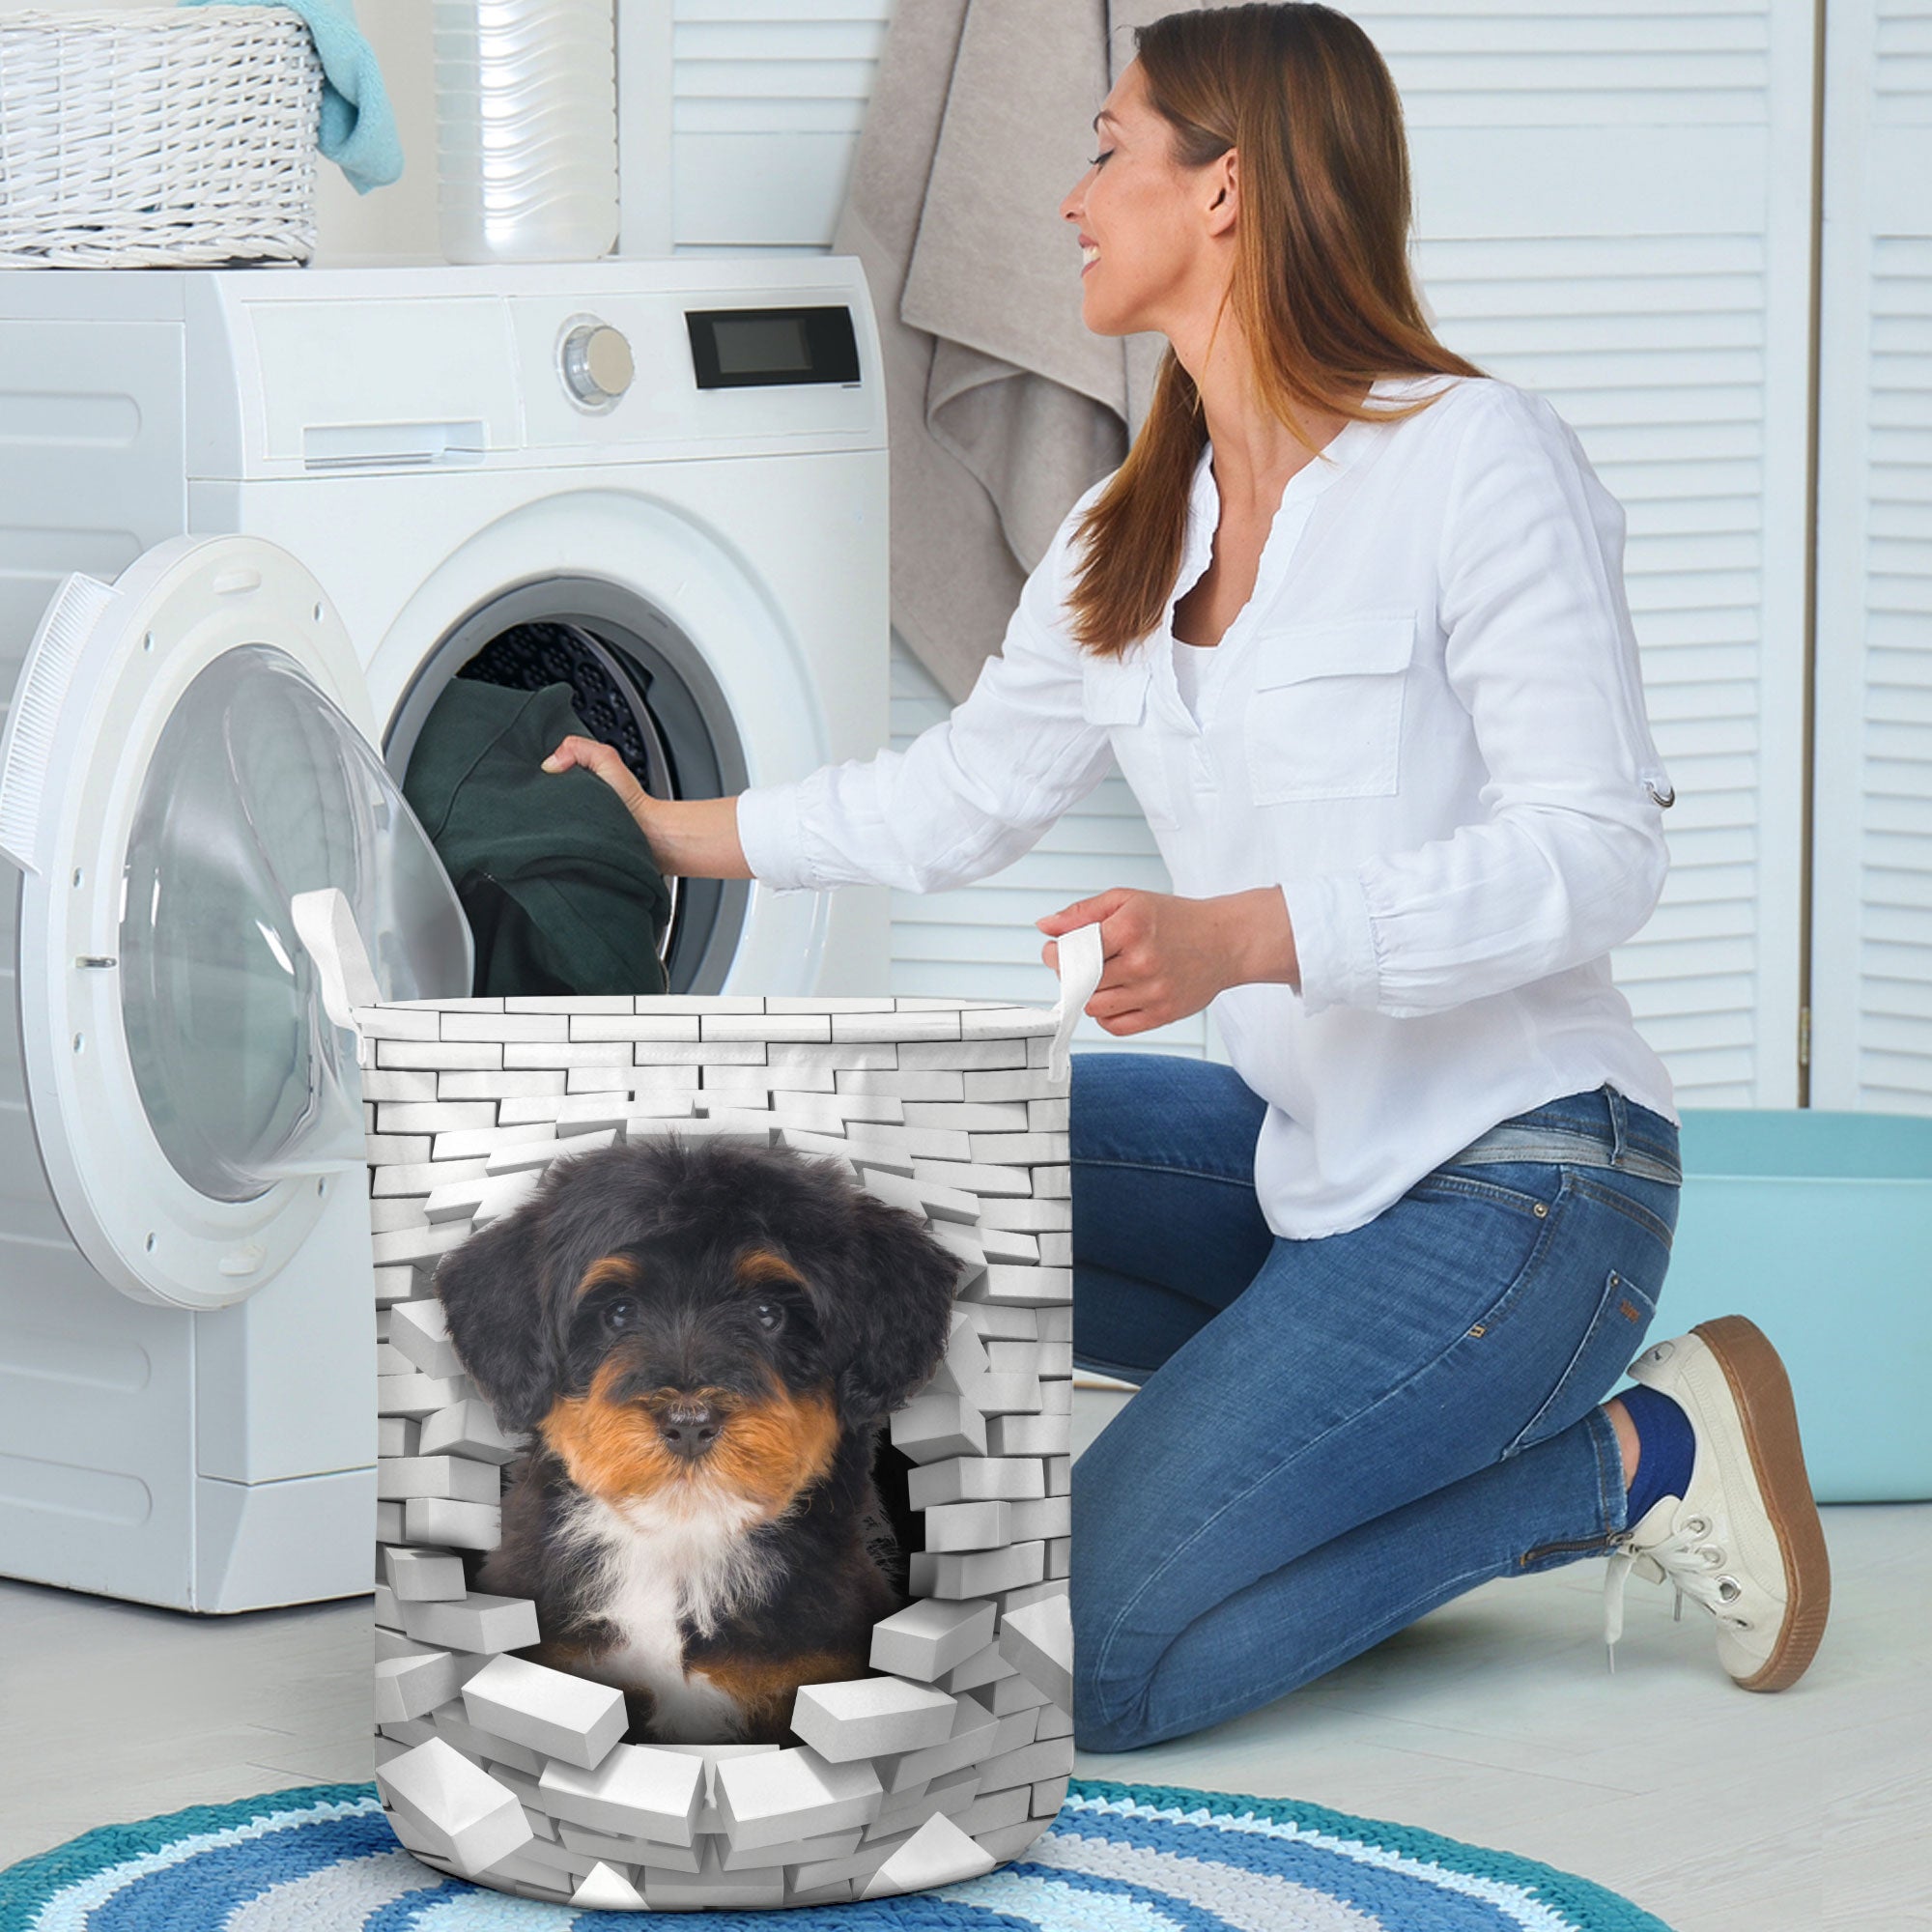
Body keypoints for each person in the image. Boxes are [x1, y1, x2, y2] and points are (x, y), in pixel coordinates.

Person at [541, 0, 1831, 1753]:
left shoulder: (1472, 458)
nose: (1070, 198)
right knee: (874, 1177)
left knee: (1098, 1664)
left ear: (1225, 191)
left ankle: (1633, 1462)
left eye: (1106, 150)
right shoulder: (1129, 526)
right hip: (1313, 1173)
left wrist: (1249, 938)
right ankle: (1172, 1470)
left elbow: (1599, 856)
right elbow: (962, 796)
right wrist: (683, 826)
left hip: (1528, 1186)